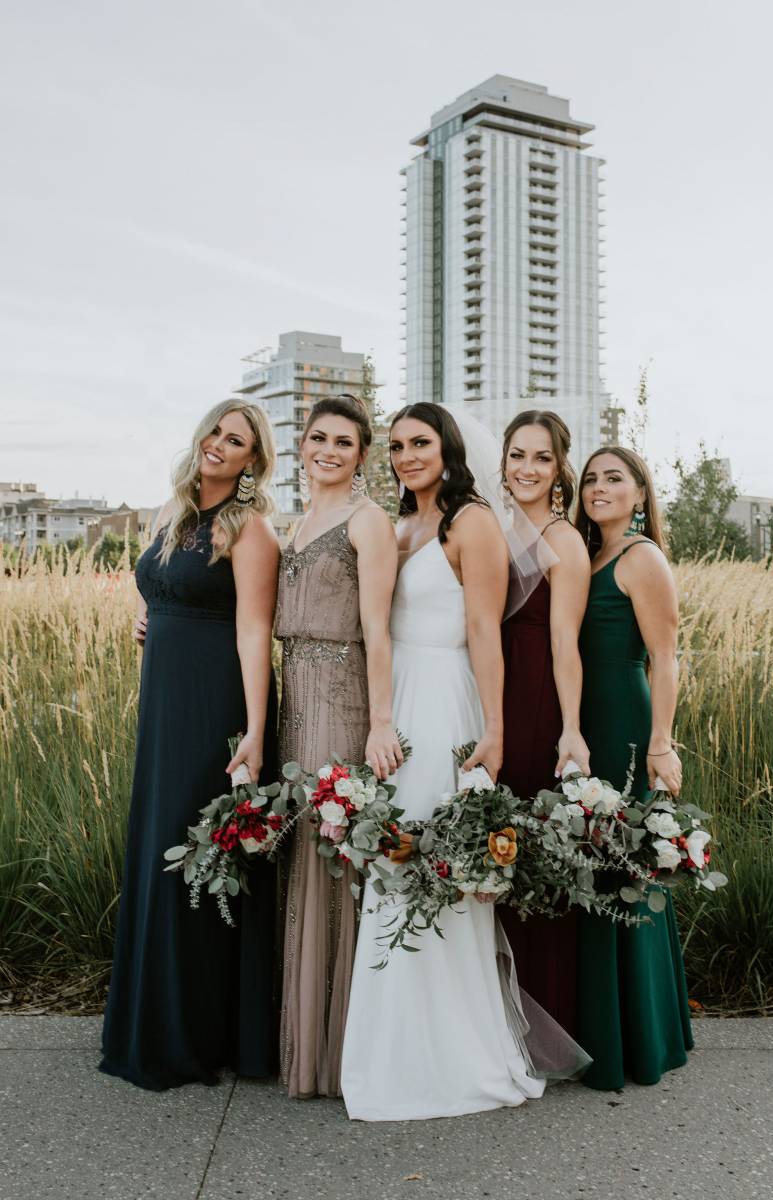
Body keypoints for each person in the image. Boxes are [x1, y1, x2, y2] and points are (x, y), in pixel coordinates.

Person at [341, 403, 589, 1121]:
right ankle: (393, 1048)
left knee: (441, 868)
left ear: (447, 447)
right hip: (399, 706)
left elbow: (486, 630)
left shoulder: (471, 520)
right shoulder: (401, 525)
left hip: (449, 703)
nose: (406, 454)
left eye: (420, 442)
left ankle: (457, 1054)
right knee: (394, 861)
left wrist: (496, 732)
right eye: (395, 446)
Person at [100, 399, 280, 1090]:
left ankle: (196, 1033)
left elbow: (252, 633)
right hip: (163, 704)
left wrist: (257, 734)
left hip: (214, 708)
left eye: (236, 441)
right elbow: (155, 588)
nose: (219, 445)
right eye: (215, 431)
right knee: (157, 848)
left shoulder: (251, 530)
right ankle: (150, 1019)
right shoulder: (167, 515)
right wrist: (148, 617)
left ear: (251, 462)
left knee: (194, 854)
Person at [277, 394, 401, 1100]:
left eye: (344, 442)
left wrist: (379, 721)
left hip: (341, 695)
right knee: (302, 851)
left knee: (332, 854)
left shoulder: (368, 519)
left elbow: (377, 628)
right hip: (294, 695)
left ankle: (342, 1050)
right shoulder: (299, 522)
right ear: (303, 445)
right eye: (318, 437)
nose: (328, 449)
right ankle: (304, 1040)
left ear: (360, 456)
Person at [574, 445, 693, 1089]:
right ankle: (602, 1029)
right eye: (591, 478)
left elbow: (666, 657)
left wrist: (661, 743)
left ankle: (639, 1039)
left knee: (625, 868)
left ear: (641, 493)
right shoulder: (586, 553)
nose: (598, 487)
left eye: (613, 478)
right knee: (592, 865)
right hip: (584, 720)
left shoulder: (642, 557)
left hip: (623, 718)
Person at [497, 410, 590, 1037]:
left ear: (560, 469)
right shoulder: (491, 526)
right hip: (481, 690)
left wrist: (572, 729)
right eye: (517, 455)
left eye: (541, 457)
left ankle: (541, 1012)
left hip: (532, 697)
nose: (527, 469)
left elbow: (566, 644)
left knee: (527, 846)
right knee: (485, 843)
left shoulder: (565, 540)